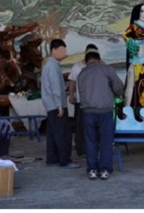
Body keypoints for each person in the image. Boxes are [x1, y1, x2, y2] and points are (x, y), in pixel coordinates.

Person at [77, 51, 124, 180]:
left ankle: (92, 170)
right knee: (106, 141)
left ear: (86, 62)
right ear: (99, 60)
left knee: (90, 141)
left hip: (87, 112)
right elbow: (119, 87)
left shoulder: (82, 73)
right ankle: (104, 170)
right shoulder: (107, 69)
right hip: (105, 112)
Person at [41, 39, 79, 169]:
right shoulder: (52, 66)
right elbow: (55, 88)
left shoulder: (50, 65)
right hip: (57, 105)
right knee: (63, 134)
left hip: (51, 105)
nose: (65, 53)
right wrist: (59, 105)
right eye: (63, 50)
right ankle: (65, 160)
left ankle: (52, 158)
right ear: (54, 50)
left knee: (52, 133)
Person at [122, 3, 144, 115]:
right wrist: (131, 45)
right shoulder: (133, 27)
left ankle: (141, 111)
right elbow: (125, 36)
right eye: (142, 11)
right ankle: (129, 111)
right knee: (132, 87)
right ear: (137, 12)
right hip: (136, 62)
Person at [68, 43, 99, 157]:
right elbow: (72, 82)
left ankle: (95, 148)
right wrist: (72, 95)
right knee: (80, 126)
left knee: (94, 126)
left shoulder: (101, 65)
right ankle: (81, 150)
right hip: (81, 101)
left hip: (96, 103)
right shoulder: (77, 66)